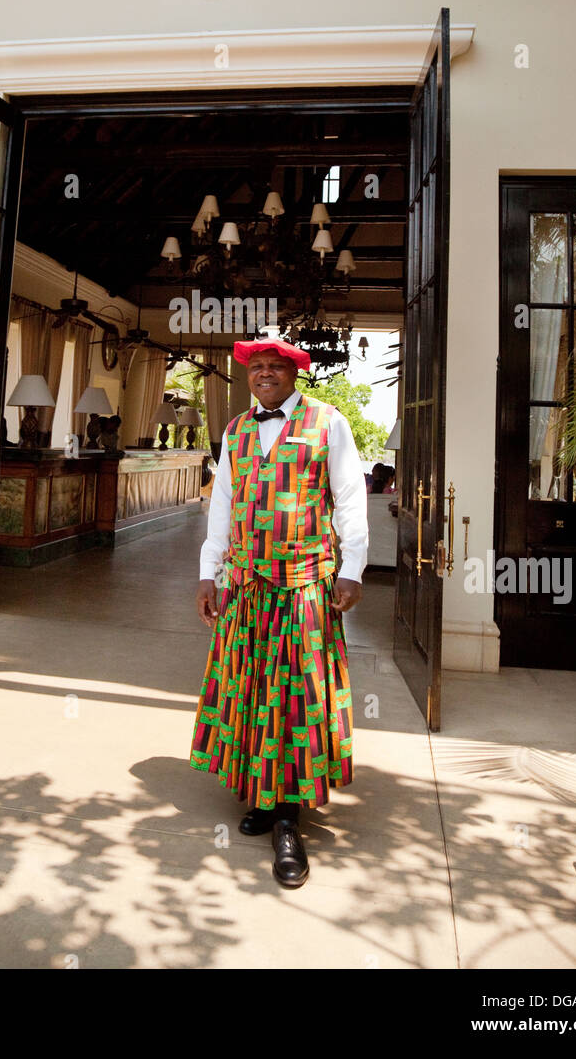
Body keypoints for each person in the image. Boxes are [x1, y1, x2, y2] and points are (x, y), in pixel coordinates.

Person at [189, 337, 369, 888]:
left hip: (303, 583)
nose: (265, 373)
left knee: (297, 695)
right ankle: (264, 797)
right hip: (246, 585)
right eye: (256, 367)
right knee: (251, 691)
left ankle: (288, 820)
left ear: (295, 373)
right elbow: (223, 504)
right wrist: (208, 570)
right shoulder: (237, 430)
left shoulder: (328, 422)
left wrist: (353, 568)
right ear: (247, 376)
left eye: (276, 366)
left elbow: (350, 494)